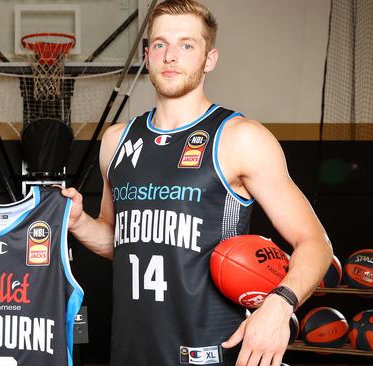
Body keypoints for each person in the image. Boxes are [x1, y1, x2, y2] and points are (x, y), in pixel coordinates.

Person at [62, 1, 333, 365]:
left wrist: (280, 304)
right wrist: (79, 223)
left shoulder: (240, 138)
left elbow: (315, 243)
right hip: (130, 351)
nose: (170, 56)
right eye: (160, 44)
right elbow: (120, 242)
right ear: (147, 55)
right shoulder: (117, 141)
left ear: (210, 59)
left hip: (210, 353)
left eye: (186, 45)